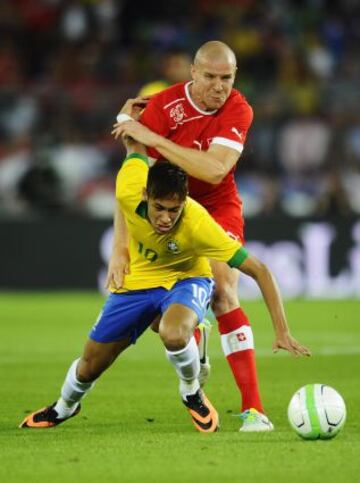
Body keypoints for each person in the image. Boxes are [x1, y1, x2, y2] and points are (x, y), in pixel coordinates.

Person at [20, 135, 310, 433]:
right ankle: (63, 407)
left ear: (184, 201)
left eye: (175, 209)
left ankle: (191, 390)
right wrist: (128, 118)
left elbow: (260, 270)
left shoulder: (198, 223)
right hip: (137, 283)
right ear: (145, 195)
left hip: (188, 279)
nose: (166, 218)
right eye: (160, 208)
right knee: (90, 365)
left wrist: (282, 330)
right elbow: (133, 145)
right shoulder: (129, 188)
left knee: (172, 333)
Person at [110, 40, 276, 430]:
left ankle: (254, 409)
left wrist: (155, 140)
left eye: (227, 78)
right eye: (211, 77)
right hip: (169, 210)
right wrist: (120, 248)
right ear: (193, 73)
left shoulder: (238, 108)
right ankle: (193, 345)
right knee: (157, 311)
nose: (220, 86)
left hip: (217, 207)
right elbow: (131, 184)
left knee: (223, 289)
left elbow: (215, 171)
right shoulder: (162, 106)